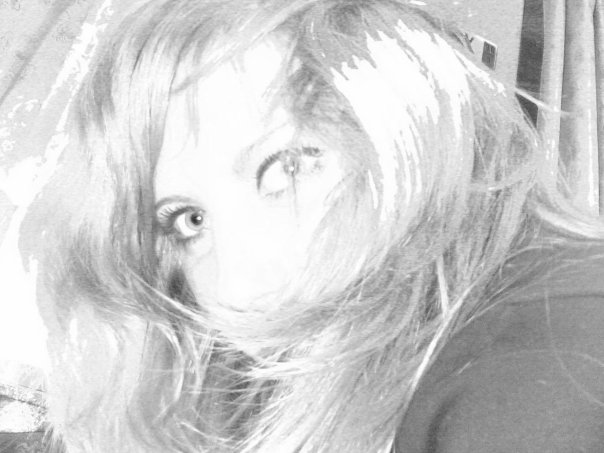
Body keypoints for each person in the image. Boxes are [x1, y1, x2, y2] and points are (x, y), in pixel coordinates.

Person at [19, 0, 604, 452]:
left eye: (287, 168)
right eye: (189, 222)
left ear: (412, 133)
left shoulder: (539, 364)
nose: (239, 288)